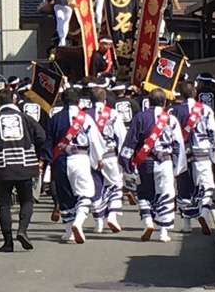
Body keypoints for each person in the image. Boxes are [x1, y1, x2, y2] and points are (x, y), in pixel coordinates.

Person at [0, 89, 46, 252]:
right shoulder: (26, 119)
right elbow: (42, 136)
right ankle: (22, 230)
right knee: (26, 200)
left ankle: (7, 242)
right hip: (25, 165)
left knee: (4, 205)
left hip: (3, 167)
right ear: (15, 101)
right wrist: (33, 151)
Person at [118, 88, 187, 243]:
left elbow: (130, 142)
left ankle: (148, 222)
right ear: (164, 103)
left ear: (148, 101)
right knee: (166, 193)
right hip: (165, 161)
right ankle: (163, 231)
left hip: (145, 162)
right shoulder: (171, 119)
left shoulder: (140, 118)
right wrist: (178, 167)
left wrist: (126, 164)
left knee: (143, 193)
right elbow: (178, 145)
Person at [41, 88, 106, 244]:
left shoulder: (55, 118)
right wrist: (98, 159)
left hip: (60, 161)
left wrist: (45, 161)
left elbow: (48, 142)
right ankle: (79, 221)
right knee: (86, 193)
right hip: (80, 158)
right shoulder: (86, 118)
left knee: (65, 196)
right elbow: (95, 140)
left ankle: (69, 232)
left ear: (63, 101)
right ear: (78, 101)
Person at [172, 81, 215, 235]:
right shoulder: (205, 110)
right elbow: (213, 132)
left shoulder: (175, 111)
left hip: (184, 156)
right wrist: (214, 153)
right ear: (195, 93)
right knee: (206, 186)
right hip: (203, 153)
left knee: (184, 188)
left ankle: (187, 225)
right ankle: (203, 213)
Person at [86, 86, 127, 233]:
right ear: (105, 99)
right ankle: (113, 215)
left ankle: (99, 223)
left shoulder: (84, 115)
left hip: (91, 157)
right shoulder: (113, 114)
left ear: (90, 100)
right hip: (111, 155)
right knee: (115, 185)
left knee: (95, 188)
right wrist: (124, 158)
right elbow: (122, 136)